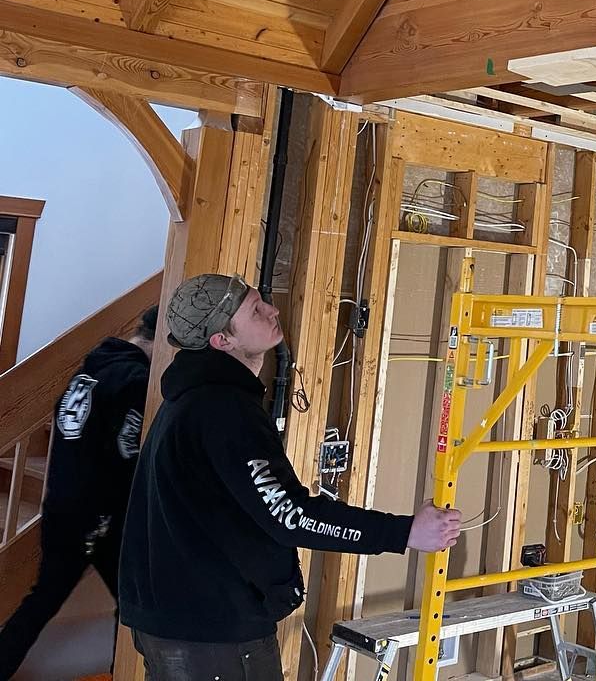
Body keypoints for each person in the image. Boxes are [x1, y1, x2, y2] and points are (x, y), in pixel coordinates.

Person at [119, 273, 462, 680]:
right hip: (211, 633)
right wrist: (405, 533)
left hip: (181, 621)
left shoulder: (193, 402)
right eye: (255, 309)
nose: (272, 309)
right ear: (221, 340)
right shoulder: (221, 409)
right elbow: (289, 514)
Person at [0, 307, 155, 679]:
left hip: (63, 503)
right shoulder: (134, 381)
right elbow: (127, 451)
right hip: (100, 514)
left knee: (44, 598)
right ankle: (127, 671)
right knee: (135, 601)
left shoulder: (90, 369)